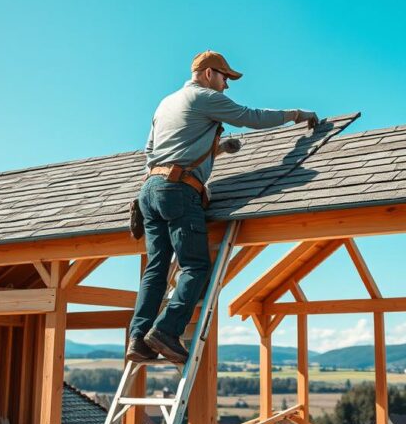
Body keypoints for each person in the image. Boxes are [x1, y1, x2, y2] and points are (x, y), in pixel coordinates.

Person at [127, 50, 318, 363]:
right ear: (208, 74)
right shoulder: (204, 97)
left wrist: (218, 147)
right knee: (196, 266)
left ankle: (138, 338)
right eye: (225, 77)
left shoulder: (166, 103)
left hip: (149, 191)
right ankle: (165, 331)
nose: (227, 85)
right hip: (178, 191)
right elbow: (251, 117)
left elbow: (154, 150)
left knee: (156, 269)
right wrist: (296, 114)